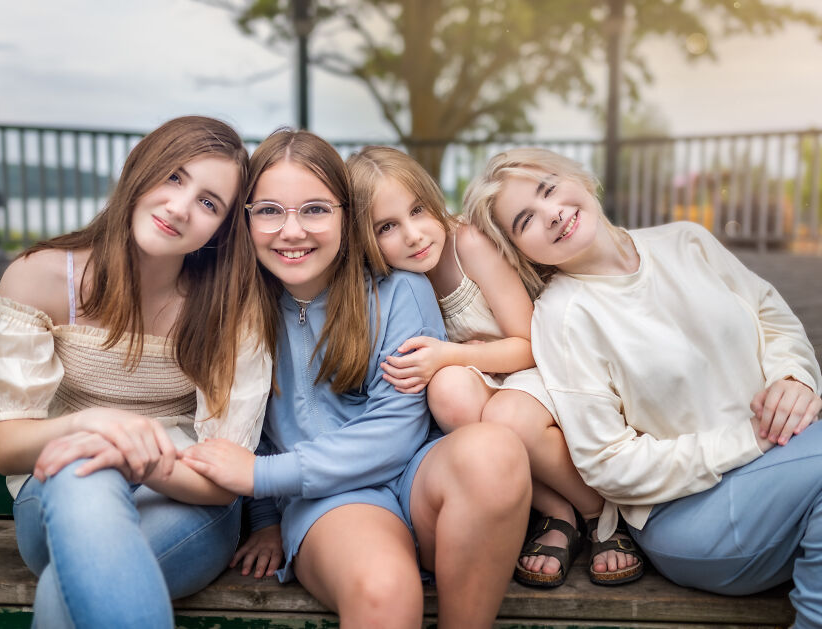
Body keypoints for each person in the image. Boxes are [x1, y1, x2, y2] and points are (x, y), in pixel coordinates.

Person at [180, 129, 531, 628]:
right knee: (384, 590)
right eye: (271, 210)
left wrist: (261, 480)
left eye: (316, 209)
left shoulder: (400, 289)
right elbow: (244, 425)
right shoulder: (236, 310)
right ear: (246, 219)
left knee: (495, 450)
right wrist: (266, 518)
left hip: (417, 478)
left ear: (348, 214)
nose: (292, 231)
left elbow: (398, 429)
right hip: (331, 500)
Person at [463, 146, 822, 626]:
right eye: (525, 219)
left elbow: (770, 316)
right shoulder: (565, 316)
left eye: (549, 189)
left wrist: (794, 378)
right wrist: (748, 441)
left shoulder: (686, 241)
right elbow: (608, 463)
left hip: (788, 462)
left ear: (581, 180)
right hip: (690, 514)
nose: (551, 214)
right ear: (519, 251)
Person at [0, 116, 271, 629]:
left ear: (221, 229)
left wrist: (140, 461)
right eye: (173, 177)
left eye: (208, 202)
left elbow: (224, 481)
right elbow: (3, 447)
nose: (179, 207)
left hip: (186, 496)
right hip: (56, 493)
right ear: (139, 169)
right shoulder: (41, 277)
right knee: (84, 466)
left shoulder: (228, 307)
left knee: (63, 595)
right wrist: (91, 427)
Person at [345, 145, 641, 587]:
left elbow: (528, 344)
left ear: (433, 198)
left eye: (418, 210)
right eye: (387, 226)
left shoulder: (467, 243)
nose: (413, 234)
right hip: (483, 376)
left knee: (507, 414)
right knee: (447, 392)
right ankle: (556, 512)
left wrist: (451, 355)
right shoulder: (388, 282)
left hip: (532, 367)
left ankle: (601, 515)